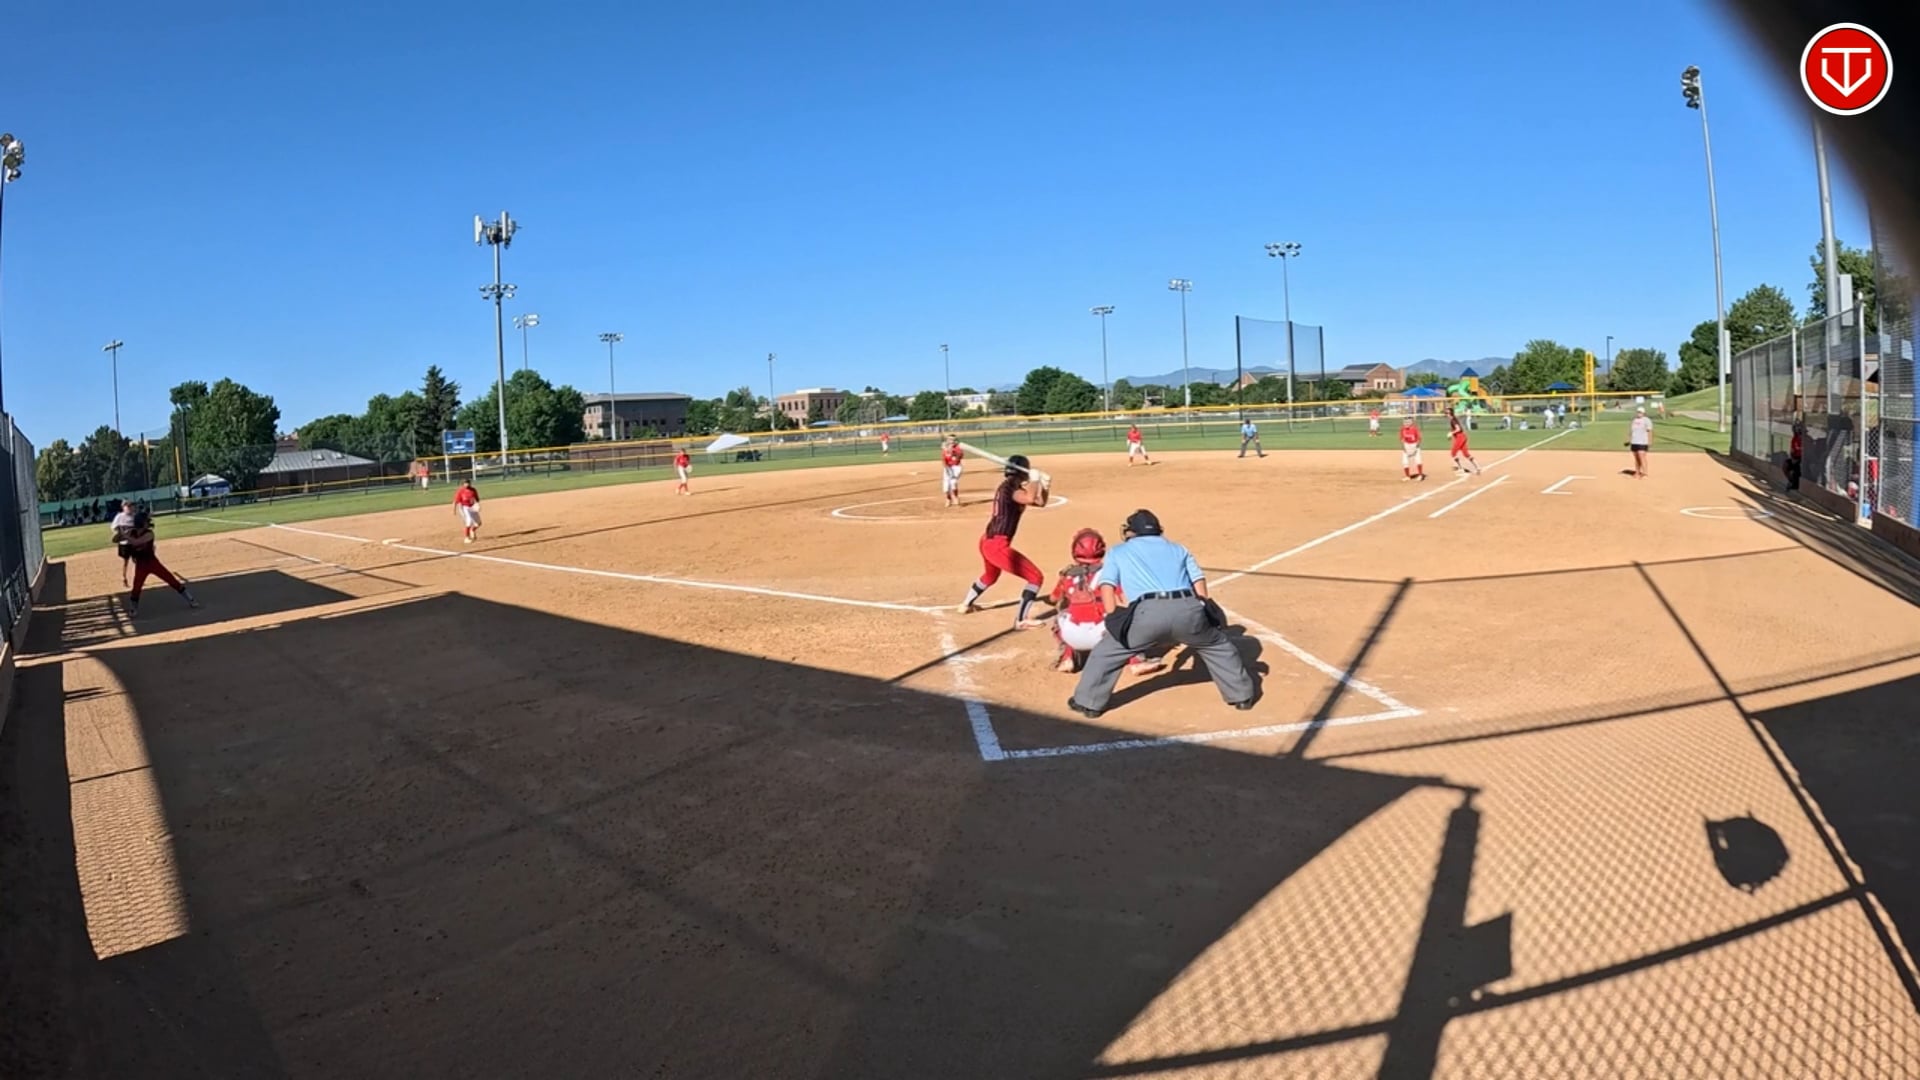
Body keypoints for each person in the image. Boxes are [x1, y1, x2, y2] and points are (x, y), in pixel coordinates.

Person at [1067, 509, 1257, 718]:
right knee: (1218, 646)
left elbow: (1107, 586)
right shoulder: (1178, 548)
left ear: (1131, 532)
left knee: (1107, 652)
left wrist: (1114, 619)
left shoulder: (1119, 551)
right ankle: (1242, 697)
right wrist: (1203, 607)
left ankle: (1088, 704)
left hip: (1147, 613)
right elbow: (1198, 581)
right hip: (1188, 608)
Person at [1025, 528, 1167, 676]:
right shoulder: (1110, 571)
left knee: (1060, 618)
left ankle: (1067, 657)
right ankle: (1136, 661)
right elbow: (1125, 598)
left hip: (1072, 637)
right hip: (1103, 635)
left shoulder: (1066, 575)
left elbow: (1053, 599)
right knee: (1128, 616)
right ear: (1102, 550)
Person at [958, 454, 1049, 625]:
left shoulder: (1011, 486)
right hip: (997, 545)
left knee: (990, 576)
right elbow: (1030, 498)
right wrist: (1035, 480)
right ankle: (1021, 620)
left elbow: (1040, 502)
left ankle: (965, 605)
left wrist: (1044, 486)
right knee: (1035, 577)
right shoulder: (1010, 487)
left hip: (988, 541)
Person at [113, 506, 198, 618]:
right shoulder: (131, 532)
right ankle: (134, 608)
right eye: (146, 522)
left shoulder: (149, 533)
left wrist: (125, 535)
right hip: (141, 565)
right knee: (136, 586)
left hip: (152, 563)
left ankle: (190, 598)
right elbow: (114, 540)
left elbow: (137, 542)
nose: (148, 523)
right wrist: (121, 533)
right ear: (140, 523)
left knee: (170, 578)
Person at [1447, 406, 1481, 475]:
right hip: (1462, 436)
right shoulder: (1453, 419)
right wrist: (1452, 434)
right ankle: (1478, 467)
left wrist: (1451, 433)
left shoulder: (1453, 420)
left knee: (1453, 453)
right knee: (1466, 454)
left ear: (1450, 413)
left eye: (1447, 413)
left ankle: (1460, 468)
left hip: (1460, 437)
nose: (1446, 415)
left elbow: (1458, 429)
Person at [1628, 406, 1653, 478]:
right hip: (1634, 441)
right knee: (1636, 458)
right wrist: (1629, 440)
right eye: (1638, 412)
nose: (1639, 413)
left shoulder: (1646, 420)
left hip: (1642, 441)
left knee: (1642, 457)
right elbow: (1632, 431)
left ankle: (1645, 473)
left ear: (1644, 413)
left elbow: (1649, 431)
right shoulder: (1634, 420)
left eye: (1640, 412)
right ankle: (1637, 472)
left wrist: (1650, 441)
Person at [1400, 415, 1427, 482]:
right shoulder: (1402, 429)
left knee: (1418, 460)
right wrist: (1404, 447)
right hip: (1406, 445)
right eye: (1405, 422)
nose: (1406, 423)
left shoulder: (1415, 429)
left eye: (1408, 422)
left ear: (1411, 423)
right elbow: (1402, 439)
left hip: (1414, 445)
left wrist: (1416, 447)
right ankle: (1407, 476)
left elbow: (1419, 439)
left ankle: (1420, 475)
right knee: (1405, 462)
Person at [940, 435, 964, 508]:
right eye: (950, 440)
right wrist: (946, 467)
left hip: (956, 467)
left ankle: (956, 497)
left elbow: (960, 456)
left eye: (953, 440)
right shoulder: (945, 449)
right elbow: (943, 459)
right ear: (947, 441)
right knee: (946, 486)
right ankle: (948, 498)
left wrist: (952, 451)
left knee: (953, 483)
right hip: (948, 467)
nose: (952, 441)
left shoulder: (958, 448)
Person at [1786, 422, 1804, 492]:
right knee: (1786, 465)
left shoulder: (1805, 439)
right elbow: (1792, 450)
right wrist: (1792, 458)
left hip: (1802, 458)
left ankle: (1795, 485)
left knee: (1796, 467)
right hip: (1796, 457)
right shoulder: (1794, 439)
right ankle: (1791, 481)